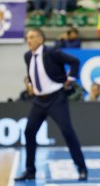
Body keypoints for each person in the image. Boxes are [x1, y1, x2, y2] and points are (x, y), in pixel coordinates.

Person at [15, 28, 87, 181]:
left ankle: (82, 168)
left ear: (41, 39)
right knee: (29, 132)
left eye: (32, 37)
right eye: (27, 37)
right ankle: (30, 171)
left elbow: (74, 62)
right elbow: (33, 73)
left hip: (56, 97)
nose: (28, 40)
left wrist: (71, 79)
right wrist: (32, 86)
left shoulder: (53, 52)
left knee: (67, 131)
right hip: (39, 100)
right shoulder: (27, 56)